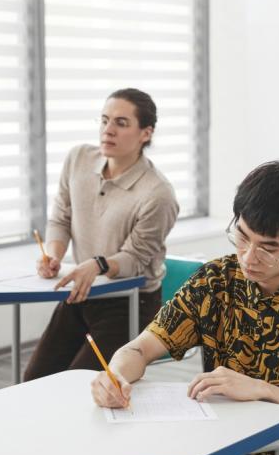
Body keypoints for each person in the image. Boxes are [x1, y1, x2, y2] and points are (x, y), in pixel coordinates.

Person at [90, 161, 279, 455]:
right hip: (214, 445)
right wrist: (116, 376)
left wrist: (262, 390)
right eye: (242, 237)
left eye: (268, 249)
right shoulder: (217, 280)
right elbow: (140, 348)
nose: (249, 257)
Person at [23, 88, 179, 381]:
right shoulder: (78, 159)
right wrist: (53, 255)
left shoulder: (158, 193)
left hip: (130, 303)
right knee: (34, 382)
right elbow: (61, 217)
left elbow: (135, 259)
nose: (108, 130)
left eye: (121, 123)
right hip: (81, 294)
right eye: (105, 120)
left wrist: (97, 264)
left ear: (146, 133)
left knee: (81, 389)